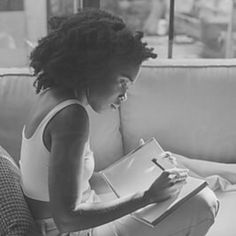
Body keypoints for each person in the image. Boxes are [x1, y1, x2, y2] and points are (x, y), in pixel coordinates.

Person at [19, 8, 219, 236]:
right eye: (123, 82)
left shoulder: (51, 97)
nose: (124, 96)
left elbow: (71, 184)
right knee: (203, 203)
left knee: (177, 174)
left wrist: (137, 166)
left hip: (80, 218)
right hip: (71, 231)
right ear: (95, 68)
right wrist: (147, 196)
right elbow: (67, 219)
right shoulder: (71, 117)